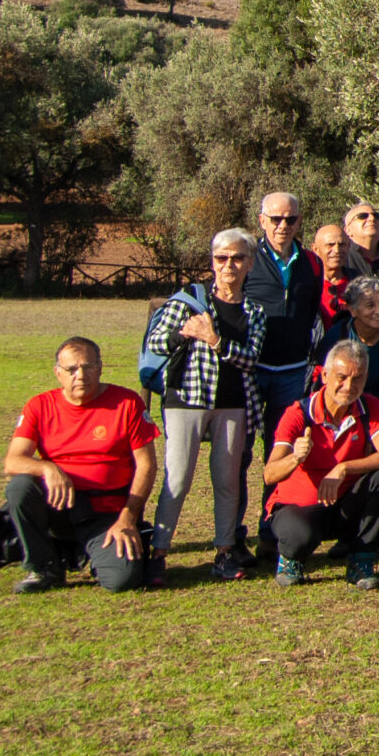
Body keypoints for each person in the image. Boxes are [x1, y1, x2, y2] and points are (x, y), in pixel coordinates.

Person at [143, 227, 264, 580]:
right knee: (177, 479)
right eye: (222, 258)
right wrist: (184, 331)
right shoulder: (185, 301)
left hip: (233, 404)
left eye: (238, 258)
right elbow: (156, 342)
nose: (229, 265)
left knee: (227, 481)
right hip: (185, 400)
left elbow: (250, 357)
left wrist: (213, 339)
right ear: (212, 262)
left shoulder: (253, 310)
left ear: (250, 263)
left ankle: (225, 552)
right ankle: (159, 552)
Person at [3, 337, 158, 594]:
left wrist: (128, 517)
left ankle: (98, 552)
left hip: (106, 514)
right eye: (72, 369)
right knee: (20, 487)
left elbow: (147, 465)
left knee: (122, 581)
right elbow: (12, 461)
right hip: (59, 505)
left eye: (88, 367)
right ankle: (44, 567)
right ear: (58, 373)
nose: (81, 375)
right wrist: (48, 469)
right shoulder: (39, 406)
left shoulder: (127, 403)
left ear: (100, 368)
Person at [261, 339, 379, 588]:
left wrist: (345, 467)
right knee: (300, 535)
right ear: (325, 375)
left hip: (344, 503)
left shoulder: (370, 407)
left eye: (357, 378)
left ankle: (361, 560)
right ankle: (291, 558)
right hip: (300, 508)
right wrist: (295, 457)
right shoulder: (298, 414)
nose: (349, 386)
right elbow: (269, 475)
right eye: (341, 377)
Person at [242, 191, 325, 550]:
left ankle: (269, 531)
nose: (282, 226)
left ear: (299, 222)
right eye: (275, 219)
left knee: (278, 453)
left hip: (291, 373)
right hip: (250, 370)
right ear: (261, 221)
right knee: (238, 454)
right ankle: (231, 536)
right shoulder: (245, 259)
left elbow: (311, 315)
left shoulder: (311, 262)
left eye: (290, 219)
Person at [316, 275, 379, 407]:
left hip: (378, 407)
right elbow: (327, 389)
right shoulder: (337, 337)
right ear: (353, 310)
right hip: (342, 404)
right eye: (370, 305)